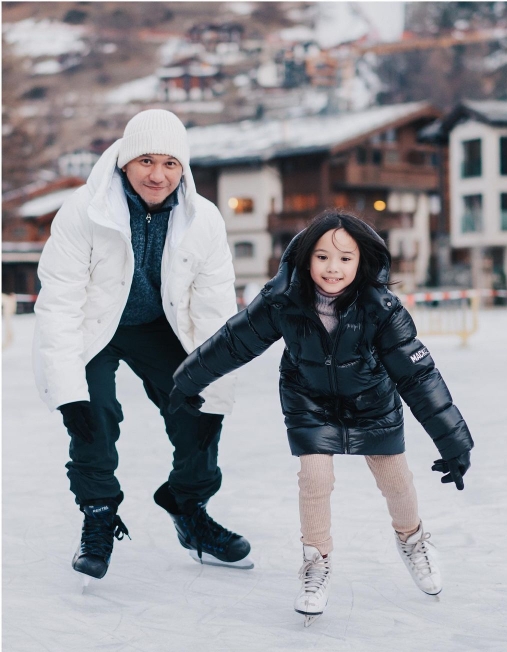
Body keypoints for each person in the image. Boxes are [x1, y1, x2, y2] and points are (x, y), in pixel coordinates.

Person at [169, 210, 473, 625]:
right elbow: (234, 342)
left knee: (395, 478)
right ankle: (317, 562)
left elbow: (418, 375)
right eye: (323, 257)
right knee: (315, 477)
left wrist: (453, 442)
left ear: (361, 262)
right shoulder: (282, 300)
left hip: (371, 401)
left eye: (345, 259)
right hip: (308, 399)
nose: (333, 268)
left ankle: (413, 539)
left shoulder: (381, 308)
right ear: (305, 259)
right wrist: (187, 381)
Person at [33, 109, 253, 581]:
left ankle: (188, 507)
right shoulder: (83, 211)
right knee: (94, 416)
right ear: (125, 163)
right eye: (147, 161)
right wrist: (70, 396)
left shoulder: (205, 220)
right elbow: (60, 305)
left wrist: (213, 390)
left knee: (196, 414)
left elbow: (213, 309)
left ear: (184, 168)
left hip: (158, 324)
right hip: (96, 324)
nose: (158, 175)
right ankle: (98, 515)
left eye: (171, 163)